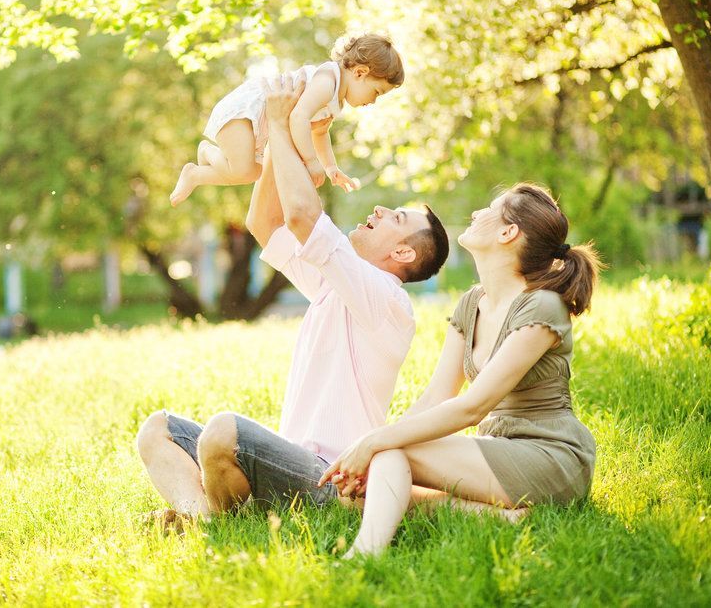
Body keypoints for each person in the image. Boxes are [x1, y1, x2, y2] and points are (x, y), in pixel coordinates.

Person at [137, 74, 448, 525]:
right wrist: (268, 141)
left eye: (395, 216)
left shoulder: (386, 300)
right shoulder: (333, 285)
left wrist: (284, 126)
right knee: (157, 431)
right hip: (285, 464)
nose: (379, 210)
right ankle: (200, 520)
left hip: (328, 481)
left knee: (224, 432)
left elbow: (302, 215)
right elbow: (265, 223)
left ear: (403, 253)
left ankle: (215, 522)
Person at [317, 183, 604, 557]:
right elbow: (436, 397)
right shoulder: (472, 303)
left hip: (549, 455)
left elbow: (473, 407)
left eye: (489, 209)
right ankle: (499, 517)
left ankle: (364, 557)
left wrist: (374, 442)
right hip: (497, 449)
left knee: (389, 458)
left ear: (508, 232)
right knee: (367, 490)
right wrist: (377, 443)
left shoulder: (543, 307)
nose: (476, 214)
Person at [169, 34, 403, 206]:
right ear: (360, 73)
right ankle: (206, 155)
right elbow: (298, 117)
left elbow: (319, 132)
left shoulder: (336, 100)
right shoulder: (327, 80)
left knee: (252, 172)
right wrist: (311, 161)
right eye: (377, 92)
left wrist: (330, 167)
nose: (373, 101)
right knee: (241, 170)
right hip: (249, 110)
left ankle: (198, 173)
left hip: (261, 123)